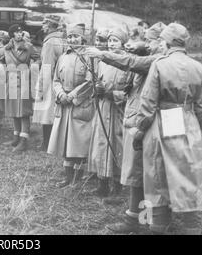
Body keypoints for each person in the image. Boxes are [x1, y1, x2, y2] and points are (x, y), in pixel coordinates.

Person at [85, 22, 166, 233]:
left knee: (146, 177)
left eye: (149, 40)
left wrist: (101, 54)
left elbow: (130, 62)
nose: (146, 44)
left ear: (162, 42)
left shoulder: (158, 59)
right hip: (142, 121)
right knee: (139, 175)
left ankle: (148, 221)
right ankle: (138, 219)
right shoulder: (155, 57)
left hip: (146, 123)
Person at [132, 23, 202, 235]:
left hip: (162, 121)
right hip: (188, 121)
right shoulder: (197, 66)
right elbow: (200, 105)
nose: (160, 43)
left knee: (156, 174)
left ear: (169, 42)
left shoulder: (160, 64)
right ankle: (192, 226)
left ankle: (157, 226)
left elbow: (148, 103)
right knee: (187, 172)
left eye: (162, 40)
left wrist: (140, 130)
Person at [88, 28, 134, 198]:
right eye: (110, 40)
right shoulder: (102, 61)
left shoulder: (129, 62)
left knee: (117, 145)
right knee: (101, 144)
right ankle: (102, 183)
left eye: (116, 41)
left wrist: (110, 94)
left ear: (122, 43)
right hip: (103, 108)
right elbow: (97, 82)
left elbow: (130, 93)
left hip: (119, 111)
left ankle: (118, 186)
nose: (112, 44)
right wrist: (97, 89)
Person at [48, 24, 94, 187]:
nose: (72, 39)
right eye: (70, 37)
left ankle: (77, 178)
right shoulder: (63, 57)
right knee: (66, 141)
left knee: (79, 143)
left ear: (82, 38)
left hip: (79, 105)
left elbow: (90, 82)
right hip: (64, 104)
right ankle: (67, 177)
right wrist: (61, 94)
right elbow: (55, 80)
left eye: (75, 36)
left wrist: (73, 96)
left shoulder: (88, 57)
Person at [33, 15, 67, 152]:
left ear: (50, 25)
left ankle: (47, 144)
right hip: (61, 81)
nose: (42, 26)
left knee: (47, 114)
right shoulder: (62, 39)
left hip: (50, 81)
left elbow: (47, 66)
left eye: (44, 23)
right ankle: (54, 142)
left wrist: (41, 88)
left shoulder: (50, 42)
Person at [4, 24, 35, 153]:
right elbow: (0, 59)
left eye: (21, 32)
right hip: (11, 80)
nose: (19, 34)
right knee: (13, 109)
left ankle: (24, 140)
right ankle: (16, 137)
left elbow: (39, 59)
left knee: (24, 111)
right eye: (16, 32)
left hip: (23, 80)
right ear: (12, 34)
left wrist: (30, 69)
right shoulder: (6, 48)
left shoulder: (28, 47)